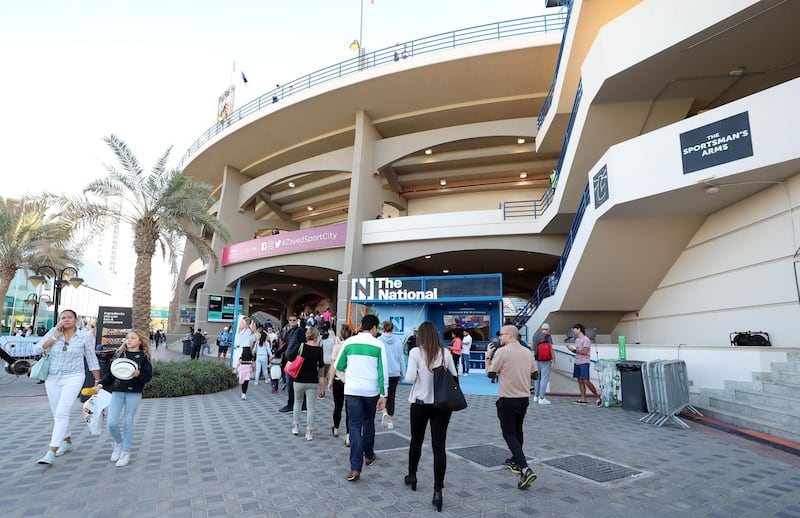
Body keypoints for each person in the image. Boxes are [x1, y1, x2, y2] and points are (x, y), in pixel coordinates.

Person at [404, 320, 457, 512]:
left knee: (416, 441)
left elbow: (409, 378)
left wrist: (420, 371)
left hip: (419, 405)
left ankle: (412, 475)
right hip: (442, 406)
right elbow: (454, 376)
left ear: (420, 336)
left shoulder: (415, 353)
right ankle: (437, 492)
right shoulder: (446, 353)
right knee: (439, 447)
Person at [36, 309, 101, 465]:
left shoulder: (85, 336)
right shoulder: (54, 331)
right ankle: (67, 441)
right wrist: (54, 337)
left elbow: (91, 359)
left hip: (74, 377)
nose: (66, 320)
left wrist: (97, 381)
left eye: (69, 317)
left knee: (62, 412)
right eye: (63, 317)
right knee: (56, 412)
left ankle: (51, 451)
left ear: (76, 319)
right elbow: (38, 348)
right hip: (52, 377)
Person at [335, 314, 388, 482]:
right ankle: (369, 455)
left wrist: (348, 376)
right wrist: (384, 394)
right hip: (371, 391)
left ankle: (355, 468)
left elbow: (338, 365)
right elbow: (383, 372)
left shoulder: (349, 342)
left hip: (352, 390)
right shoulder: (378, 345)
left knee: (355, 426)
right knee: (368, 422)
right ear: (373, 328)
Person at [486, 325, 538, 490]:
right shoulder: (527, 352)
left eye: (501, 335)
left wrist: (488, 357)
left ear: (509, 336)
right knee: (517, 430)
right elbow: (535, 374)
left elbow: (490, 374)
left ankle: (525, 468)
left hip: (508, 398)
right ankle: (516, 460)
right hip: (524, 398)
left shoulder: (502, 352)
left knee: (508, 433)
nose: (499, 338)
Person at [98, 330, 153, 467]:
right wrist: (100, 384)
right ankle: (118, 443)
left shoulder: (144, 357)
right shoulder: (119, 355)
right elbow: (110, 374)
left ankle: (126, 452)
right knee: (111, 422)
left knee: (128, 422)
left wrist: (138, 375)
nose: (129, 340)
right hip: (117, 392)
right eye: (127, 338)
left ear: (140, 341)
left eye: (133, 338)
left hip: (134, 393)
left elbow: (147, 377)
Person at [289, 326, 325, 440]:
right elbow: (321, 366)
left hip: (298, 379)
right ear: (316, 337)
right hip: (312, 381)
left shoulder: (301, 346)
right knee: (311, 407)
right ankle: (309, 432)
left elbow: (289, 356)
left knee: (297, 402)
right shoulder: (319, 350)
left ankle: (296, 427)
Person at [378, 320, 405, 430]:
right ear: (393, 329)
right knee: (392, 396)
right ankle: (390, 420)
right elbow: (401, 358)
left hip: (383, 372)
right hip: (394, 372)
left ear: (383, 328)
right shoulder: (398, 341)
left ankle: (384, 411)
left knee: (382, 394)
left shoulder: (379, 340)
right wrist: (403, 373)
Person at [328, 324, 352, 445]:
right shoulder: (353, 347)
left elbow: (333, 365)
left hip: (338, 380)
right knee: (349, 409)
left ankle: (336, 429)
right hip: (350, 381)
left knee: (337, 406)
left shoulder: (337, 347)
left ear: (341, 335)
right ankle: (348, 436)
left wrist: (330, 380)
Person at [567, 323, 601, 406]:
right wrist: (573, 351)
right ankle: (583, 399)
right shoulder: (577, 340)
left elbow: (585, 352)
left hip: (584, 362)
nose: (573, 330)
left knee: (586, 380)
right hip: (577, 362)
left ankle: (598, 397)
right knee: (580, 380)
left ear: (579, 329)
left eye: (575, 329)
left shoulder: (586, 339)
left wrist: (574, 351)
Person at [278, 315, 305, 413]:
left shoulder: (300, 331)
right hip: (290, 359)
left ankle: (292, 405)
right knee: (295, 383)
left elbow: (302, 345)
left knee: (292, 383)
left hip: (295, 360)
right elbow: (286, 345)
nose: (292, 321)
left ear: (297, 321)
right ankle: (301, 405)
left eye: (294, 320)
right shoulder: (290, 332)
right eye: (290, 320)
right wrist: (276, 353)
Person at [532, 323, 555, 404]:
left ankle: (536, 396)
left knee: (537, 378)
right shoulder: (548, 337)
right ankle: (542, 398)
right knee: (544, 379)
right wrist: (554, 361)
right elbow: (551, 350)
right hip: (546, 360)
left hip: (537, 359)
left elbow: (532, 347)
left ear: (541, 329)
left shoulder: (535, 336)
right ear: (548, 329)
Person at [319, 326, 336, 398]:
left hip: (322, 360)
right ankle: (331, 390)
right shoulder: (333, 340)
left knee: (321, 377)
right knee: (329, 377)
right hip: (330, 360)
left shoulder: (321, 339)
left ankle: (322, 392)